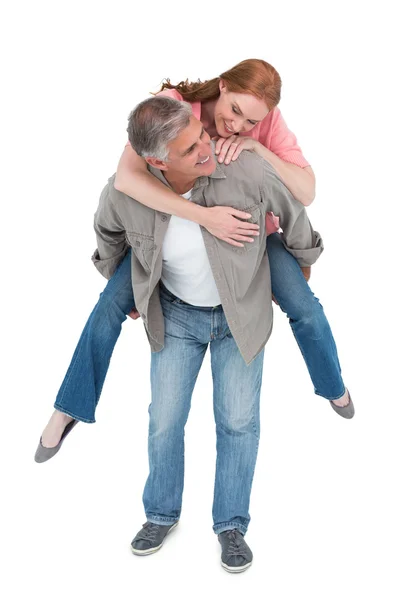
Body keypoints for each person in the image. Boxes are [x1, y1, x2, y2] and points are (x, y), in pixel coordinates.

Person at [35, 58, 353, 460]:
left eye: (251, 122)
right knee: (107, 308)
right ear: (222, 86)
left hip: (248, 234)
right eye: (235, 111)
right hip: (169, 233)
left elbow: (303, 193)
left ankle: (333, 385)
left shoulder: (263, 121)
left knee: (305, 307)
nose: (237, 126)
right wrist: (204, 218)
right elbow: (127, 180)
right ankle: (68, 409)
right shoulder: (172, 110)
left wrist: (257, 147)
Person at [92, 96, 323, 572]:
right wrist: (127, 285)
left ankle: (231, 525)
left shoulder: (244, 172)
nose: (209, 148)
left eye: (202, 135)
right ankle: (160, 514)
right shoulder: (127, 193)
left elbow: (294, 212)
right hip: (176, 319)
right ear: (156, 162)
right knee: (165, 421)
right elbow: (107, 233)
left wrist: (302, 265)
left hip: (239, 319)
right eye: (191, 148)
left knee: (239, 424)